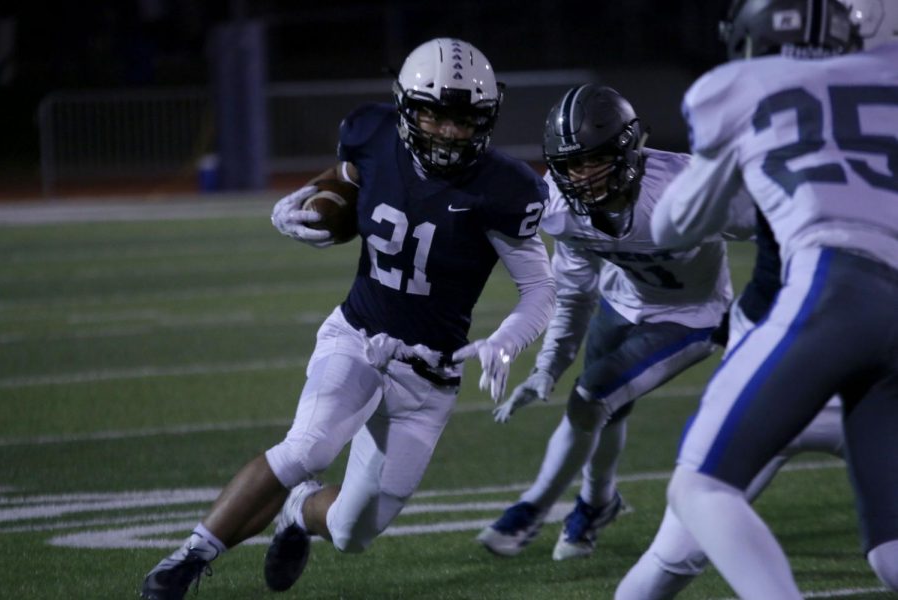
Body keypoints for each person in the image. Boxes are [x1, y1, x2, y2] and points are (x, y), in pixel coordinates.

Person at [139, 37, 556, 600]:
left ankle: (297, 513)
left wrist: (506, 340)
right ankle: (187, 558)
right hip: (359, 334)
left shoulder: (505, 188)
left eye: (466, 119)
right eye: (435, 115)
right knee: (308, 446)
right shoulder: (374, 133)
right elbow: (344, 180)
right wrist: (306, 199)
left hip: (429, 376)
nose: (451, 132)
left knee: (352, 532)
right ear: (408, 108)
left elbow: (539, 289)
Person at [615, 1, 898, 594]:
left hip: (823, 311)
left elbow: (672, 223)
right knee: (891, 552)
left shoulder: (752, 94)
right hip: (876, 318)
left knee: (696, 489)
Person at [476, 84, 736, 562]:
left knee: (593, 394)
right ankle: (599, 503)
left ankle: (533, 507)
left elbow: (775, 227)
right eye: (571, 165)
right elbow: (574, 296)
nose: (583, 176)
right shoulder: (558, 207)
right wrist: (547, 368)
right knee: (603, 405)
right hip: (624, 300)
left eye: (595, 159)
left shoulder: (688, 187)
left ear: (628, 149)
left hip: (691, 316)